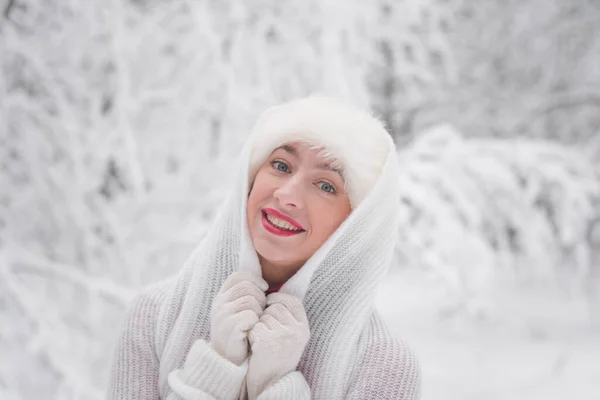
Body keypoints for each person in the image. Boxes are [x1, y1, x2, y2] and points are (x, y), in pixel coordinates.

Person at [107, 95, 421, 399]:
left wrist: (275, 385)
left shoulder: (384, 365)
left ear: (356, 225)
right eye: (281, 166)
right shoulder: (154, 314)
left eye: (326, 185)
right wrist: (218, 366)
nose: (287, 195)